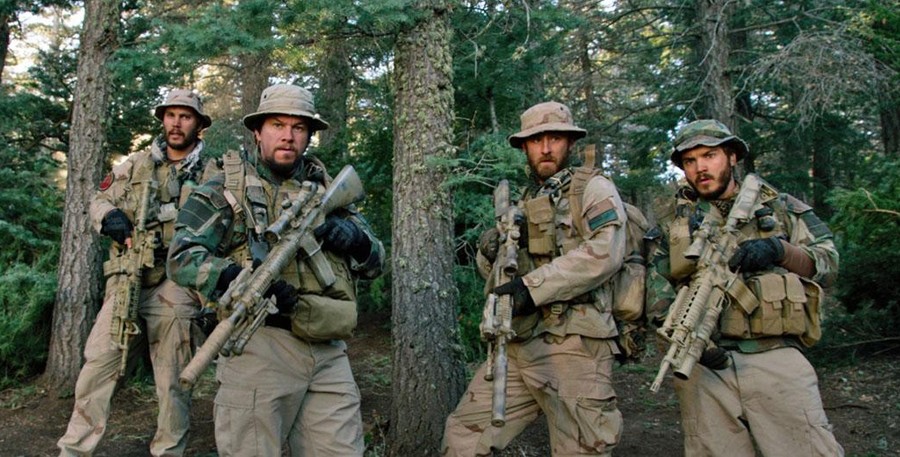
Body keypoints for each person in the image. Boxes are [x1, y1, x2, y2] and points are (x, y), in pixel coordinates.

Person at [166, 83, 384, 456]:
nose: (288, 136)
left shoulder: (328, 191)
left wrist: (356, 241)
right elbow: (182, 257)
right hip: (259, 346)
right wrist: (237, 278)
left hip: (328, 349)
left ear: (309, 136)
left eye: (298, 128)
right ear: (257, 131)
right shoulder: (225, 188)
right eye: (277, 125)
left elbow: (376, 263)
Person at [645, 119, 844, 456]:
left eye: (709, 156)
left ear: (733, 157)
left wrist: (780, 251)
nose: (700, 168)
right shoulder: (675, 224)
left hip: (775, 358)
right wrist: (690, 341)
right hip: (704, 366)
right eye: (690, 161)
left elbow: (828, 263)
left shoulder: (779, 207)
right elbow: (655, 293)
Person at [443, 101, 627, 456]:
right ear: (524, 147)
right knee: (464, 435)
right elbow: (501, 276)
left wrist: (531, 289)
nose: (545, 148)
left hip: (575, 344)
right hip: (519, 343)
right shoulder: (525, 200)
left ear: (569, 143)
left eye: (554, 138)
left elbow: (605, 252)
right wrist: (489, 251)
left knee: (580, 449)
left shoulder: (592, 188)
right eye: (536, 140)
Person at [58, 89, 217, 456]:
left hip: (177, 283)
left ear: (198, 125)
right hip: (129, 277)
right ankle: (73, 450)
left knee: (172, 380)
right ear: (162, 120)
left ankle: (168, 451)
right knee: (98, 366)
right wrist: (110, 217)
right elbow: (99, 199)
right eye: (170, 115)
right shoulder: (136, 164)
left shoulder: (213, 173)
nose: (176, 123)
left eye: (185, 116)